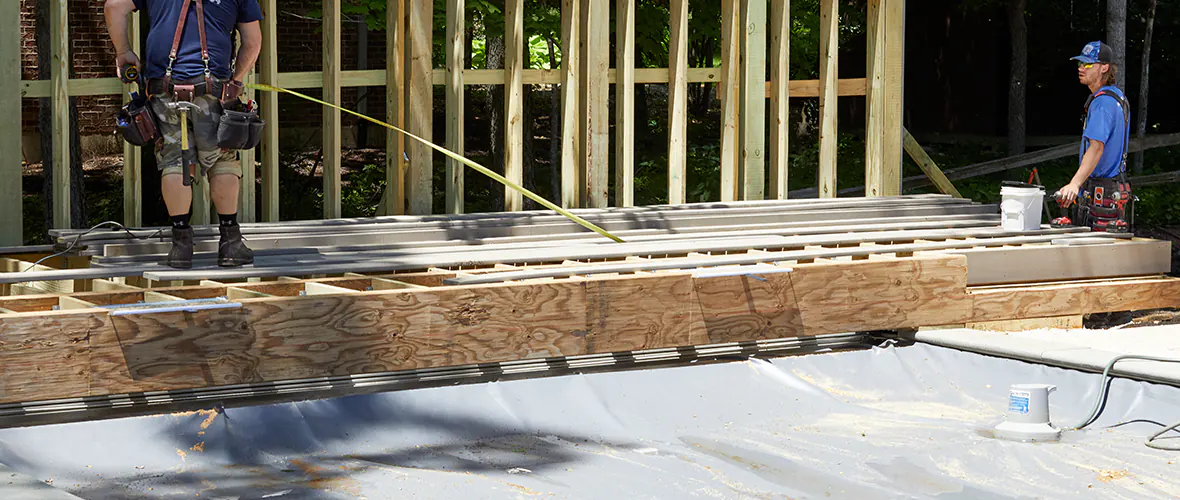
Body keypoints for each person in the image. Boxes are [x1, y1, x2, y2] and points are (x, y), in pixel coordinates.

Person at [104, 0, 263, 268]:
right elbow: (252, 41)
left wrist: (124, 52)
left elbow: (113, 6)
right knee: (221, 161)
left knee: (174, 161)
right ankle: (230, 244)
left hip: (164, 88)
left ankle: (181, 246)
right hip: (213, 87)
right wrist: (236, 79)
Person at [1054, 40, 1134, 232]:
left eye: (1088, 64)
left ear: (1104, 67)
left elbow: (1096, 147)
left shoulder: (1102, 103)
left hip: (1102, 192)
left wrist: (1075, 184)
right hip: (1114, 186)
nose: (1081, 68)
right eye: (1080, 63)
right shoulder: (1117, 98)